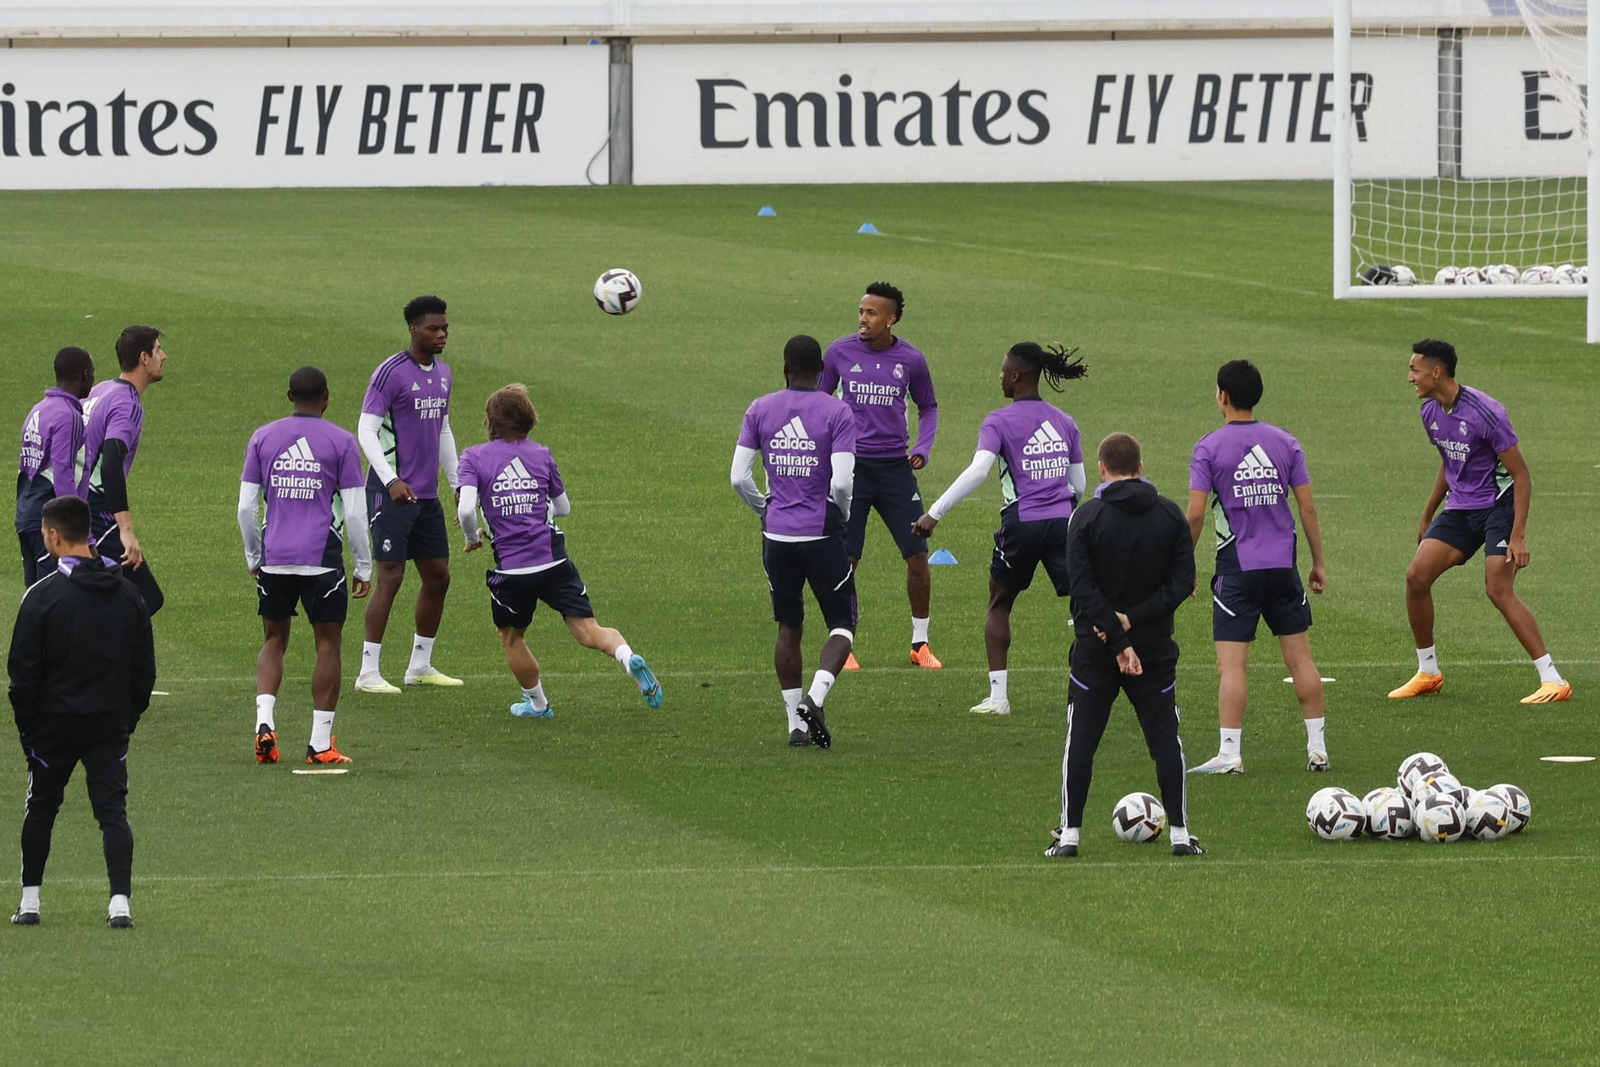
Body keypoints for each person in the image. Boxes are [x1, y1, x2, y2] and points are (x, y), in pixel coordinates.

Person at [456, 385, 661, 717]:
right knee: (588, 630)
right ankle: (627, 656)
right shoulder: (542, 454)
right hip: (554, 562)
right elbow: (563, 507)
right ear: (528, 419)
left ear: (491, 421)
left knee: (512, 637)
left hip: (513, 570)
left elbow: (466, 510)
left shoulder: (473, 457)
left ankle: (537, 704)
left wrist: (475, 536)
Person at [1389, 339, 1569, 704]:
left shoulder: (1487, 414)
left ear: (1436, 372)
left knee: (1498, 589)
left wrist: (1517, 535)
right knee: (1416, 577)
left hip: (1498, 507)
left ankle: (1553, 679)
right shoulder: (1430, 412)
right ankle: (1428, 672)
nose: (1410, 378)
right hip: (1460, 509)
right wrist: (1427, 513)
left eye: (1414, 370)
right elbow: (1450, 461)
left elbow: (1521, 476)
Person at [1045, 433, 1200, 859]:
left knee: (1081, 741)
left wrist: (1114, 635)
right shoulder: (1171, 516)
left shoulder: (1086, 516)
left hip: (1095, 651)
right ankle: (1181, 836)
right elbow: (1181, 584)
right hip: (1153, 649)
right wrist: (1131, 625)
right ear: (1141, 467)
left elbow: (1081, 588)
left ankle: (1070, 836)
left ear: (1102, 469)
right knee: (1166, 741)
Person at [912, 343, 1088, 716]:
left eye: (1003, 370)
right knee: (1086, 606)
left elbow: (978, 472)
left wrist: (935, 512)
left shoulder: (999, 421)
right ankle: (1084, 693)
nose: (999, 377)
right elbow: (1081, 484)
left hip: (1021, 522)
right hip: (1063, 524)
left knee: (999, 601)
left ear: (1016, 375)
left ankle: (998, 697)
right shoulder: (1065, 421)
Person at [9, 496, 155, 928]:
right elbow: (143, 671)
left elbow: (22, 674)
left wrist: (30, 730)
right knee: (112, 812)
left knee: (41, 806)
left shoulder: (42, 596)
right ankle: (119, 905)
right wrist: (124, 719)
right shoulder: (128, 593)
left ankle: (31, 902)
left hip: (52, 727)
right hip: (108, 724)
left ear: (53, 536)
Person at [1185, 360, 1329, 774]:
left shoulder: (1208, 447)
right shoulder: (1286, 442)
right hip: (1284, 566)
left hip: (1237, 570)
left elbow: (1195, 515)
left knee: (1232, 666)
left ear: (1223, 396)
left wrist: (1184, 564)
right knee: (1301, 660)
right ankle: (1317, 748)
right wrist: (1318, 563)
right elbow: (1307, 507)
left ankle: (1230, 754)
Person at [238, 367, 374, 766]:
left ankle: (264, 723)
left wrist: (254, 556)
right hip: (322, 561)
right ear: (327, 397)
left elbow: (247, 508)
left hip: (275, 558)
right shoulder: (342, 442)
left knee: (274, 640)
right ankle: (319, 743)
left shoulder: (263, 437)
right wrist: (363, 566)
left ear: (289, 396)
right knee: (328, 644)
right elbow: (353, 512)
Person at [731, 335, 857, 748]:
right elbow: (841, 481)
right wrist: (842, 513)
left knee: (789, 625)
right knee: (842, 623)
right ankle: (815, 698)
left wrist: (765, 509)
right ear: (822, 370)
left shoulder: (760, 408)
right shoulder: (837, 411)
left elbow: (738, 478)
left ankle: (795, 727)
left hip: (777, 535)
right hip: (821, 532)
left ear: (785, 367)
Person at [819, 282, 940, 670]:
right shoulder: (838, 352)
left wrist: (922, 447)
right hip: (850, 469)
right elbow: (817, 403)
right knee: (847, 559)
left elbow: (929, 407)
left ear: (891, 319)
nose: (862, 319)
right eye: (860, 311)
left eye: (871, 313)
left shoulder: (912, 359)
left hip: (895, 472)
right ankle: (844, 645)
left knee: (918, 556)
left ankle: (920, 643)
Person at [355, 295, 462, 693]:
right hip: (392, 494)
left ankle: (420, 665)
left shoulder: (444, 373)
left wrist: (456, 482)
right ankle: (368, 672)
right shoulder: (390, 374)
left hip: (427, 497)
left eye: (445, 328)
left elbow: (444, 429)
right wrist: (390, 479)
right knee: (391, 577)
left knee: (438, 577)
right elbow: (366, 430)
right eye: (433, 328)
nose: (441, 335)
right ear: (413, 329)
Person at [83, 325, 167, 615]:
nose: (164, 356)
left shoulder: (101, 390)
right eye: (158, 350)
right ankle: (102, 652)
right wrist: (126, 530)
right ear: (144, 358)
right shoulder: (127, 403)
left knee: (98, 592)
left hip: (70, 498)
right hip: (95, 508)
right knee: (148, 597)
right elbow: (110, 463)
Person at [16, 347, 94, 586]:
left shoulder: (39, 410)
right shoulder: (67, 416)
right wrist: (84, 538)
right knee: (57, 599)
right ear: (84, 375)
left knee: (35, 600)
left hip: (27, 519)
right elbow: (62, 475)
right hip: (52, 525)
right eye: (92, 374)